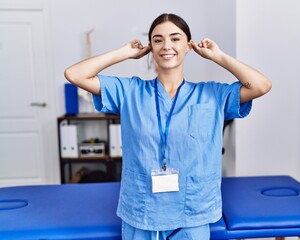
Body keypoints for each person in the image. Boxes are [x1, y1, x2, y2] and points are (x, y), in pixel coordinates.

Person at [65, 13, 271, 240]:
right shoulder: (129, 91)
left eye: (175, 38)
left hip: (192, 212)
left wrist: (218, 57)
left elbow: (261, 85)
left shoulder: (212, 94)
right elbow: (74, 74)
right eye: (158, 39)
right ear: (150, 47)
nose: (166, 46)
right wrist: (123, 53)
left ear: (188, 46)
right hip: (142, 210)